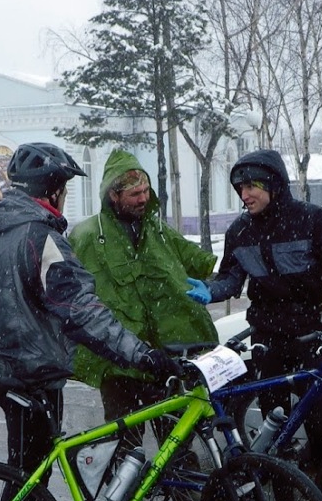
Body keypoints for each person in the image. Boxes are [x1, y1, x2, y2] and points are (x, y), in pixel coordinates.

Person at [0, 142, 181, 501]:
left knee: (28, 471)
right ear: (54, 191)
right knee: (27, 479)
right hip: (31, 369)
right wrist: (143, 355)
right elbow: (82, 311)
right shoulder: (39, 236)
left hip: (2, 367)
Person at [185, 149, 322, 501]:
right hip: (268, 339)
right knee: (277, 429)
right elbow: (232, 279)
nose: (244, 195)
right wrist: (211, 290)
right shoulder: (240, 230)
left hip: (310, 337)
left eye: (251, 186)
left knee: (321, 429)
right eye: (240, 188)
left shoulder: (310, 219)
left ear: (273, 184)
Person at [69, 150, 218, 450]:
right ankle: (125, 497)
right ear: (114, 195)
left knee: (176, 444)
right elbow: (68, 291)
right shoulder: (87, 236)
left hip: (161, 360)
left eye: (146, 191)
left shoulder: (157, 230)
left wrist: (233, 268)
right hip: (119, 362)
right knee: (124, 446)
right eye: (135, 193)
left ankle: (180, 496)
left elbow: (198, 261)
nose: (143, 199)